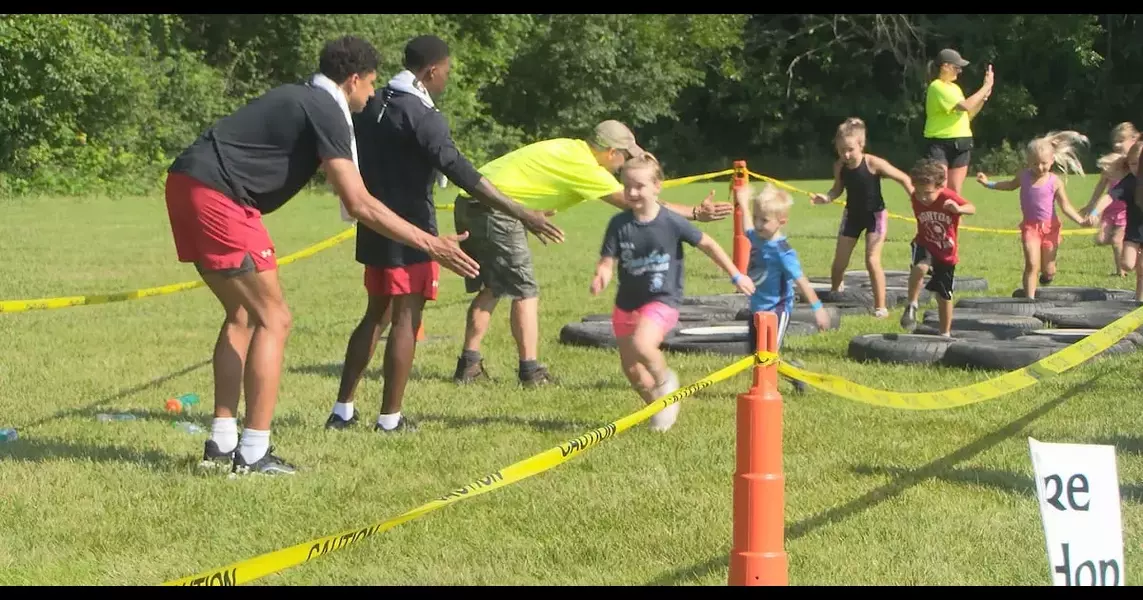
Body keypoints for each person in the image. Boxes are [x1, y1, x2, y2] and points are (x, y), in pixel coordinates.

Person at [163, 35, 480, 476]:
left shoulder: (301, 96)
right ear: (352, 80)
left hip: (183, 183)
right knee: (275, 319)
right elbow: (359, 203)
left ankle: (221, 442)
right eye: (369, 85)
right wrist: (432, 243)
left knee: (241, 313)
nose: (372, 95)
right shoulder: (327, 107)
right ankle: (253, 452)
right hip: (222, 196)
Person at [325, 35, 564, 433]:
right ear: (432, 70)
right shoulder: (422, 115)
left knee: (375, 315)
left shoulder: (370, 102)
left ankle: (342, 410)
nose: (446, 80)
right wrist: (523, 213)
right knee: (406, 319)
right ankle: (389, 420)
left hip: (374, 225)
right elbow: (465, 174)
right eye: (447, 73)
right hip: (413, 230)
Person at [451, 120, 735, 387]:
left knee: (494, 287)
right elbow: (638, 204)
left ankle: (469, 365)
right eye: (624, 157)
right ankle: (530, 371)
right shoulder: (586, 167)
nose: (624, 165)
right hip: (494, 211)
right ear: (611, 152)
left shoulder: (570, 147)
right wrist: (695, 213)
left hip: (472, 202)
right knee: (525, 291)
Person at [590, 154, 754, 432]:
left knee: (644, 344)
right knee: (632, 371)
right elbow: (608, 260)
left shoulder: (671, 222)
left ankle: (666, 382)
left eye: (639, 186)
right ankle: (658, 406)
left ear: (657, 186)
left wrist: (736, 274)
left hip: (662, 300)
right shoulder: (619, 224)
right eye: (627, 186)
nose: (632, 192)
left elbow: (709, 245)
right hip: (626, 304)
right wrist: (601, 274)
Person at [810, 117, 913, 318]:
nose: (846, 155)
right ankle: (836, 294)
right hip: (852, 216)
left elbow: (903, 178)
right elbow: (837, 189)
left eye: (850, 149)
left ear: (861, 145)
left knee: (872, 260)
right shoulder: (839, 166)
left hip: (875, 216)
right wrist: (828, 197)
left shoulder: (873, 163)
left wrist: (914, 197)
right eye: (841, 150)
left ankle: (880, 307)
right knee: (839, 263)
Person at [735, 182, 831, 394]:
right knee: (755, 352)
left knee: (768, 354)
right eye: (758, 217)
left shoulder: (783, 252)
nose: (759, 224)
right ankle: (793, 372)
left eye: (765, 220)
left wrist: (818, 309)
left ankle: (766, 392)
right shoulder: (759, 238)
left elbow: (801, 281)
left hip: (777, 310)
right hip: (757, 308)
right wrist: (743, 201)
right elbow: (747, 227)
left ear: (782, 221)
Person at [975, 131, 1089, 299]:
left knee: (1048, 269)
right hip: (1031, 229)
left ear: (1052, 160)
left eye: (1043, 163)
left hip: (1050, 230)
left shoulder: (1054, 182)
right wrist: (988, 183)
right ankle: (1029, 300)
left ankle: (1048, 276)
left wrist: (1080, 220)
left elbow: (1065, 206)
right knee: (1031, 265)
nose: (1039, 167)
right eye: (1034, 164)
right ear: (1028, 162)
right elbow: (1008, 185)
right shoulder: (1023, 176)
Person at [899, 158, 977, 336]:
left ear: (941, 186)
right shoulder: (916, 198)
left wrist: (958, 209)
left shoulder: (947, 197)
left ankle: (944, 333)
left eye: (927, 193)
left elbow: (972, 207)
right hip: (924, 242)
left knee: (944, 296)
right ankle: (911, 304)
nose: (922, 198)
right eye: (918, 193)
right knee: (920, 267)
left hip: (946, 252)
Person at [922, 48, 994, 194]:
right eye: (956, 67)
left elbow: (968, 114)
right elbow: (966, 105)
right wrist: (986, 85)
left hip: (962, 142)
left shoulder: (955, 88)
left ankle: (956, 217)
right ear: (945, 66)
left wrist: (983, 98)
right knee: (940, 187)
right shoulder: (937, 86)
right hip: (939, 142)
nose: (959, 71)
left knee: (955, 191)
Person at [1082, 122, 1140, 277]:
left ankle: (1121, 270)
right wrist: (1092, 206)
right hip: (1109, 208)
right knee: (1101, 239)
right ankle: (1130, 258)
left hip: (1126, 211)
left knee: (1116, 241)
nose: (1117, 144)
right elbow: (1101, 186)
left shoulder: (1137, 161)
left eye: (1121, 140)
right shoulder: (1113, 163)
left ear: (1134, 139)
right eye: (1115, 141)